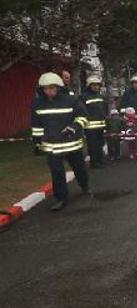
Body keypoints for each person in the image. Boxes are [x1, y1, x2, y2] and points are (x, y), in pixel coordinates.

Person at [31, 72, 91, 211]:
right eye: (46, 88)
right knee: (57, 173)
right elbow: (36, 125)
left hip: (72, 144)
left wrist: (73, 127)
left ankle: (85, 186)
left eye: (52, 88)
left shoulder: (71, 100)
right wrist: (37, 142)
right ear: (41, 89)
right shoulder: (37, 104)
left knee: (79, 168)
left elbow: (83, 116)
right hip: (52, 146)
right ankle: (61, 199)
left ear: (58, 87)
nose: (49, 91)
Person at [81, 75, 107, 168]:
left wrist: (105, 118)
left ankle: (100, 159)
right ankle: (94, 162)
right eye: (94, 85)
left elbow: (104, 109)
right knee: (92, 145)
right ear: (89, 86)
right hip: (90, 126)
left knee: (100, 143)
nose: (96, 87)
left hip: (100, 124)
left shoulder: (101, 96)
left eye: (98, 85)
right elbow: (82, 111)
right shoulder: (84, 97)